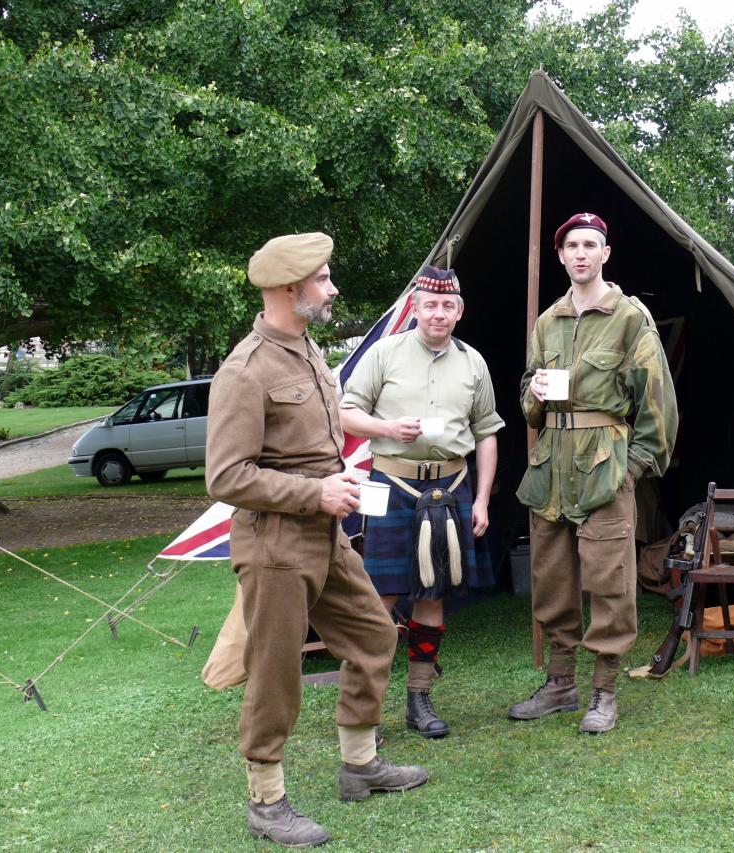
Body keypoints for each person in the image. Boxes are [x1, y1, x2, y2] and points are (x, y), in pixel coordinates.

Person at [206, 232, 428, 849]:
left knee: (375, 634)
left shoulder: (308, 350)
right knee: (275, 672)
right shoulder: (244, 370)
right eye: (324, 279)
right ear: (289, 290)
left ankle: (360, 766)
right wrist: (316, 493)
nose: (332, 289)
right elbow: (226, 476)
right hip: (275, 544)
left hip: (326, 538)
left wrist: (340, 478)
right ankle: (266, 803)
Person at [511, 212, 679, 734]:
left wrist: (634, 467)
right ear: (560, 255)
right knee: (552, 579)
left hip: (606, 465)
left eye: (591, 245)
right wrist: (532, 397)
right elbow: (527, 395)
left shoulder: (630, 318)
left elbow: (657, 400)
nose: (581, 253)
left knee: (610, 581)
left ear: (605, 254)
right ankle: (561, 683)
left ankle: (604, 691)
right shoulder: (547, 321)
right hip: (551, 468)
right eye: (572, 246)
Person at [340, 264, 505, 739]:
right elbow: (347, 413)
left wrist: (483, 501)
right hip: (392, 485)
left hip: (452, 489)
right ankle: (362, 705)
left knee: (433, 594)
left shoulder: (473, 361)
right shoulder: (383, 353)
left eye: (447, 305)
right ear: (414, 308)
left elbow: (487, 433)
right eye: (429, 305)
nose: (438, 313)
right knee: (378, 595)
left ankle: (419, 699)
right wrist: (389, 429)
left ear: (459, 311)